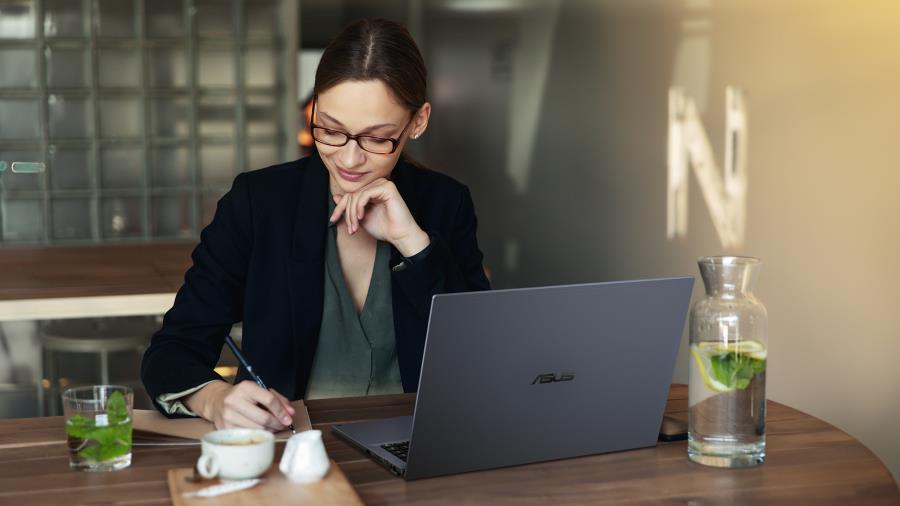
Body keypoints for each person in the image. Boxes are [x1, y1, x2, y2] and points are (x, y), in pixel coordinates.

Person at [141, 18, 490, 431]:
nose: (349, 159)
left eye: (378, 138)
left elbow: (482, 358)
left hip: (423, 442)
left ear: (418, 121)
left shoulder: (445, 203)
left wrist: (413, 243)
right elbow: (173, 349)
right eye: (330, 130)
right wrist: (214, 398)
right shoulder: (259, 203)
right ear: (314, 110)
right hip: (293, 450)